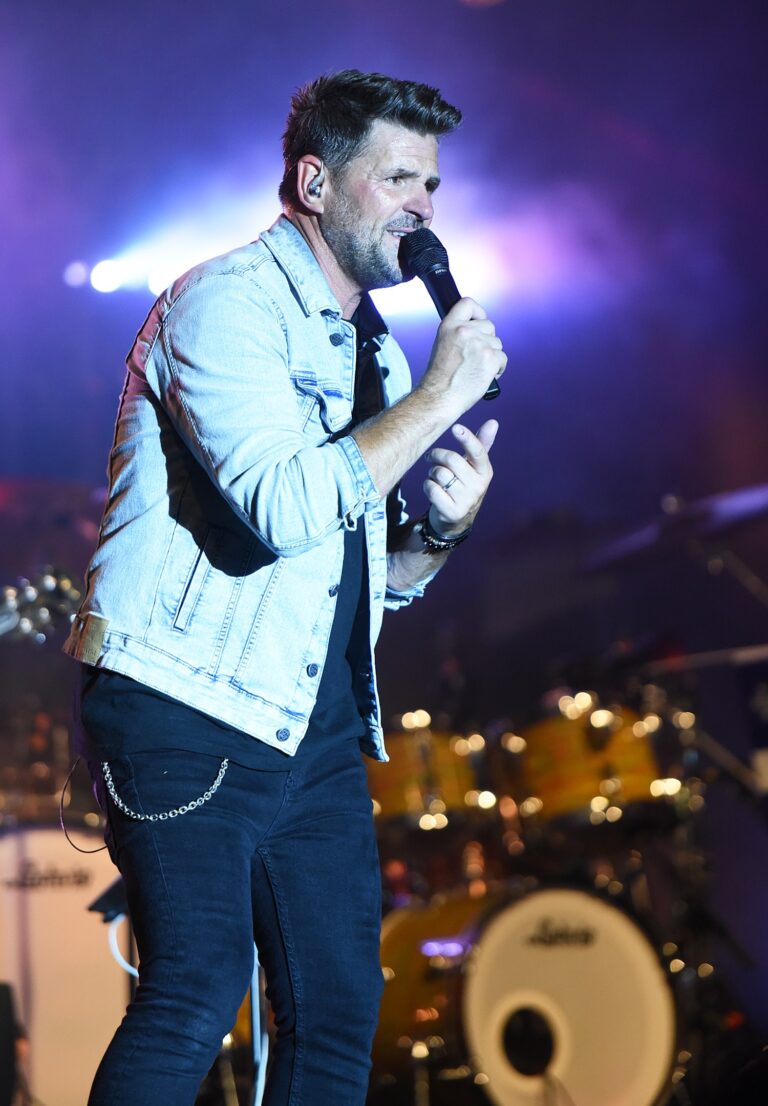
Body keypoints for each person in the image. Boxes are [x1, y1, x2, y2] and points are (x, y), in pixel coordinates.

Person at [64, 69, 506, 1106]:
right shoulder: (226, 304)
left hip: (309, 725)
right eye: (396, 178)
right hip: (183, 702)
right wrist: (439, 396)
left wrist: (440, 533)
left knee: (340, 1006)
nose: (423, 206)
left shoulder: (371, 349)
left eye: (432, 185)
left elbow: (363, 583)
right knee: (196, 984)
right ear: (315, 183)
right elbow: (281, 506)